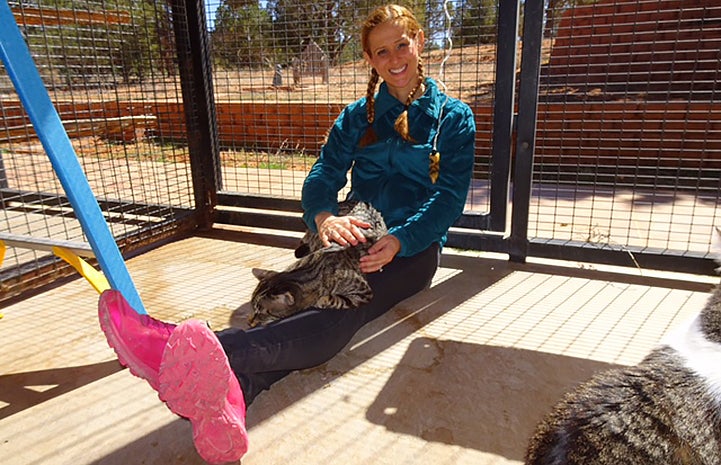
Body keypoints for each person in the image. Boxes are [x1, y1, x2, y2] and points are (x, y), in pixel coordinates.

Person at [98, 4, 476, 464]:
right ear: (370, 61)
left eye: (401, 44)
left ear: (418, 42)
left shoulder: (453, 118)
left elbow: (449, 199)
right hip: (350, 231)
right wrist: (324, 219)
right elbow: (322, 175)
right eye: (381, 51)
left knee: (345, 304)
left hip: (410, 250)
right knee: (300, 297)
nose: (394, 57)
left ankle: (194, 348)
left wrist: (400, 239)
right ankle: (237, 394)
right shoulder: (358, 117)